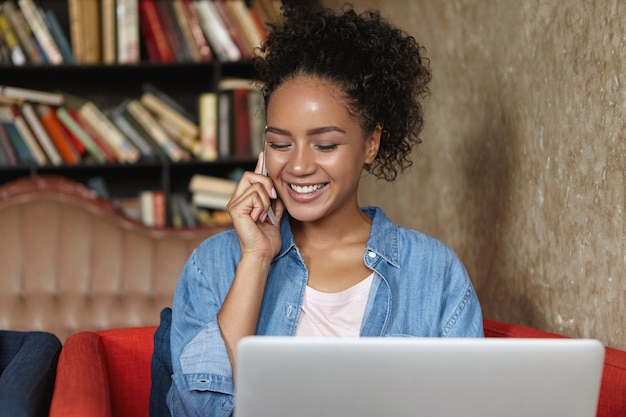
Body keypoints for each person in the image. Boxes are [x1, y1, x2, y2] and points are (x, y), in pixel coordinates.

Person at [167, 4, 483, 416]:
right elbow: (196, 411)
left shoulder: (433, 272)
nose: (297, 166)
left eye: (325, 145)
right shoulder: (213, 265)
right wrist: (257, 258)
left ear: (371, 143)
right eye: (280, 144)